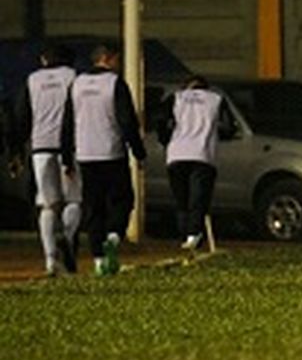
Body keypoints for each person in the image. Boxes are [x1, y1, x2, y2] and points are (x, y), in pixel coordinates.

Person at [62, 42, 147, 277]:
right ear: (108, 59)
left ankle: (99, 260)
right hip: (112, 152)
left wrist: (67, 158)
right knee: (123, 200)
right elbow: (127, 121)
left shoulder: (76, 84)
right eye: (117, 60)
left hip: (86, 154)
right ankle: (113, 236)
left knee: (93, 208)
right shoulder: (114, 84)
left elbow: (68, 122)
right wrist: (138, 152)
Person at [13, 43, 83, 275]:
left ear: (44, 60)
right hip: (70, 146)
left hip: (40, 147)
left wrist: (16, 150)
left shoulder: (32, 80)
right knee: (73, 199)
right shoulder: (74, 77)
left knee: (47, 204)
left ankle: (50, 259)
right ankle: (67, 234)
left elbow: (21, 116)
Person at [157, 75, 227, 252]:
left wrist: (166, 141)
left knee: (182, 200)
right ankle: (193, 234)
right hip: (202, 154)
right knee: (198, 199)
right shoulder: (216, 99)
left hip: (177, 154)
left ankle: (184, 235)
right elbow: (228, 126)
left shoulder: (176, 97)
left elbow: (161, 121)